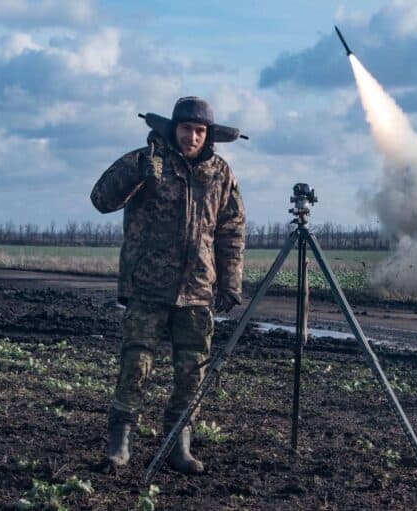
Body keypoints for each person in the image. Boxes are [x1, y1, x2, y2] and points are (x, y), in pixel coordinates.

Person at [91, 96, 245, 473]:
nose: (192, 136)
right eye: (186, 128)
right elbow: (100, 199)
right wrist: (136, 172)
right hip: (148, 286)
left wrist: (230, 283)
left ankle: (179, 446)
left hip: (197, 290)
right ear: (173, 129)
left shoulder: (220, 173)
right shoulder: (146, 161)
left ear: (208, 135)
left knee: (192, 372)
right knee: (135, 367)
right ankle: (120, 445)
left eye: (200, 130)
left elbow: (231, 231)